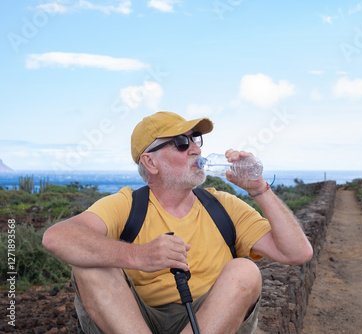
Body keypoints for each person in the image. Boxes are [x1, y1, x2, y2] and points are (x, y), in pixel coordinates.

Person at [42, 111, 313, 334]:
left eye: (196, 140)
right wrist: (139, 255)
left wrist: (259, 188)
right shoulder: (127, 205)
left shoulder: (223, 206)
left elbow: (297, 252)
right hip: (137, 323)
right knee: (89, 266)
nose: (195, 148)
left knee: (245, 271)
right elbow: (57, 237)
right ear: (151, 162)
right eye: (182, 143)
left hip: (213, 322)